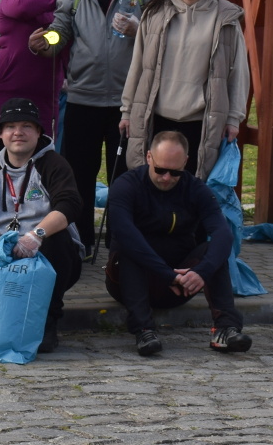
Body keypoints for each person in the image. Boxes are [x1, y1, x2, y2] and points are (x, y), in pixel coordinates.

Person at [0, 98, 84, 353]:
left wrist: (36, 235)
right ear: (0, 133)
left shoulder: (54, 164)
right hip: (2, 252)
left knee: (60, 241)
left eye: (26, 126)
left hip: (43, 249)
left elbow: (70, 206)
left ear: (39, 132)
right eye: (10, 126)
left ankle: (48, 322)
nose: (17, 132)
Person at [40, 0, 152, 250]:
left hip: (126, 104)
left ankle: (122, 244)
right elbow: (60, 31)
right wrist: (46, 40)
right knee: (78, 177)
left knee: (126, 180)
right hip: (82, 100)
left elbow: (160, 37)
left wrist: (138, 29)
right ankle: (80, 242)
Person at [105, 130, 251, 357]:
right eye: (160, 170)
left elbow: (223, 234)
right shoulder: (126, 186)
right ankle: (143, 330)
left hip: (180, 284)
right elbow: (124, 234)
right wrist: (167, 274)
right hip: (130, 281)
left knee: (215, 251)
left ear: (186, 163)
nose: (166, 178)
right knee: (128, 249)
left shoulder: (196, 188)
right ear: (149, 158)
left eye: (175, 172)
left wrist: (201, 272)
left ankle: (225, 329)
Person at [120, 0, 249, 178]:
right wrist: (127, 110)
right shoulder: (155, 12)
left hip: (201, 122)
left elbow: (238, 72)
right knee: (154, 186)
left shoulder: (226, 16)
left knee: (191, 191)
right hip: (156, 118)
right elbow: (137, 65)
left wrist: (234, 118)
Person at [0, 0, 71, 151]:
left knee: (40, 162)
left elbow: (61, 42)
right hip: (8, 92)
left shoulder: (60, 8)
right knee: (0, 158)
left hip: (44, 97)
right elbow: (20, 7)